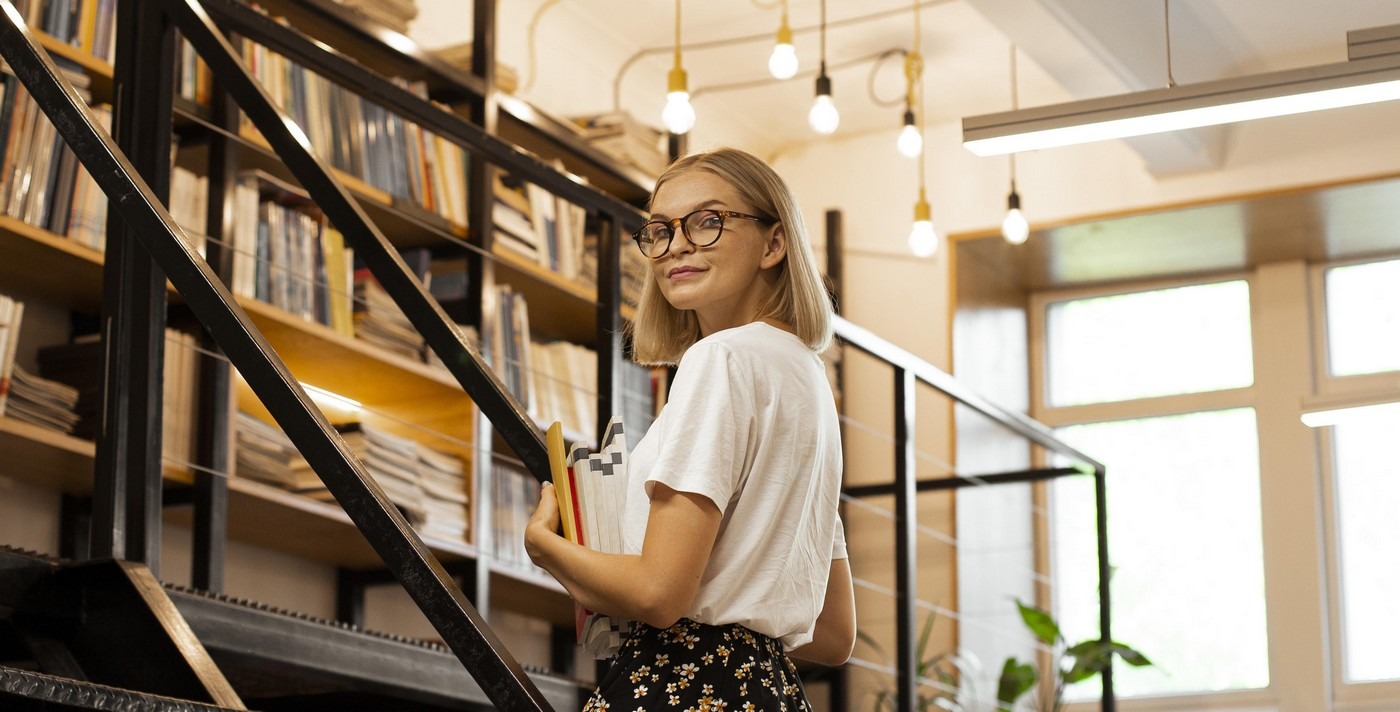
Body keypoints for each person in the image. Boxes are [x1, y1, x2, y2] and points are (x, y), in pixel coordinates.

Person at [525, 147, 853, 711]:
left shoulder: (720, 359)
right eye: (658, 229)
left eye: (708, 222)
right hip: (767, 690)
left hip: (682, 687)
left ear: (774, 243)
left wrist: (547, 548)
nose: (676, 245)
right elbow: (833, 633)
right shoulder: (808, 378)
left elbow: (658, 593)